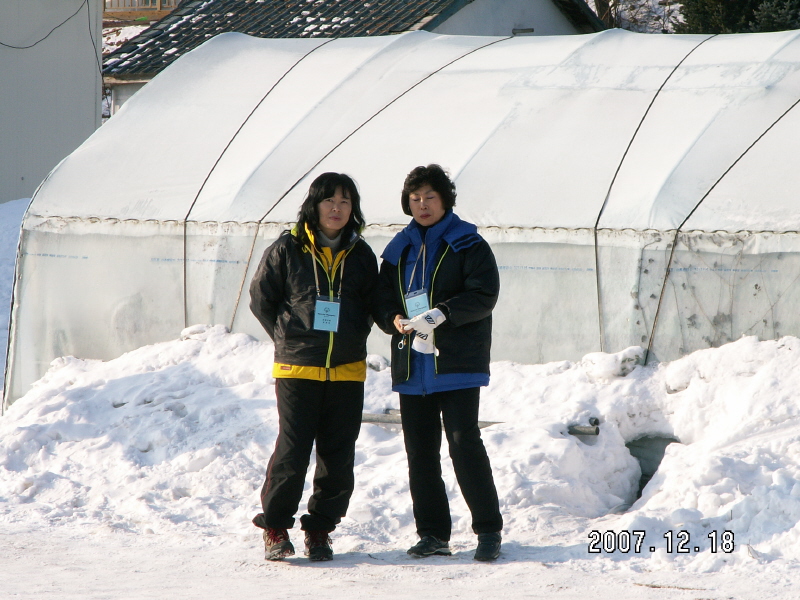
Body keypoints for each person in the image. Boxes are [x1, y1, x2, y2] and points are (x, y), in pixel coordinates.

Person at [375, 164, 503, 561]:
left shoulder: (467, 243)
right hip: (414, 365)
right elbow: (381, 299)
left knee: (465, 444)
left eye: (430, 196)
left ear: (445, 199)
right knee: (420, 451)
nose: (423, 204)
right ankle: (433, 534)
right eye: (415, 198)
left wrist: (444, 312)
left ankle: (487, 531)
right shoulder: (399, 249)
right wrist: (393, 319)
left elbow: (485, 293)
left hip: (455, 362)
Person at [249, 172, 378, 561]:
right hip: (298, 370)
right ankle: (275, 528)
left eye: (345, 201)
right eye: (329, 201)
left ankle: (320, 530)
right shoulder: (288, 248)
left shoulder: (361, 255)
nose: (336, 208)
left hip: (346, 369)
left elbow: (373, 304)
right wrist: (288, 339)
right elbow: (261, 299)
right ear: (314, 205)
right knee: (293, 449)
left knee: (338, 454)